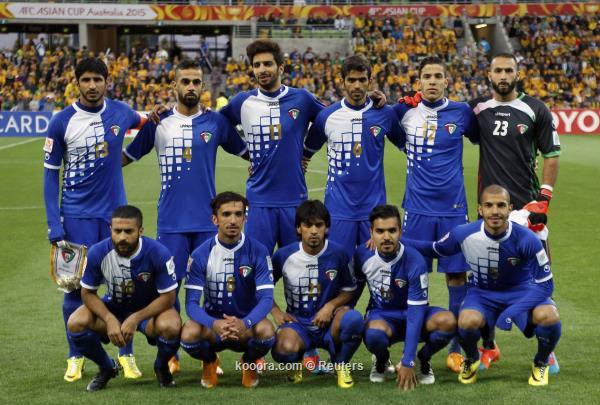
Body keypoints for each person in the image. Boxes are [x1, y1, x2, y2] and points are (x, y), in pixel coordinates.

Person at [123, 59, 248, 374]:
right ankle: (172, 351)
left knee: (213, 287)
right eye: (185, 81)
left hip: (208, 223)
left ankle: (208, 353)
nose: (191, 87)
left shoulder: (216, 122)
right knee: (169, 289)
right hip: (171, 223)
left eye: (195, 82)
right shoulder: (158, 122)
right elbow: (126, 156)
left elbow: (249, 152)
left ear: (203, 86)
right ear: (174, 85)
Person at [43, 57, 146, 382]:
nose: (91, 86)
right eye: (85, 80)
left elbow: (149, 123)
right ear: (76, 83)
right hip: (76, 218)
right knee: (74, 289)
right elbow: (50, 175)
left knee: (124, 287)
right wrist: (54, 222)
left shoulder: (122, 112)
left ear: (106, 81)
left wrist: (128, 156)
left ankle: (126, 354)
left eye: (97, 79)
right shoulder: (61, 121)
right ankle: (75, 355)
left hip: (116, 218)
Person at [406, 185, 561, 386]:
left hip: (522, 291)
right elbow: (435, 249)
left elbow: (546, 286)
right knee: (466, 321)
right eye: (488, 205)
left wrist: (511, 312)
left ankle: (540, 362)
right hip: (482, 293)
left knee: (549, 316)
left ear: (510, 208)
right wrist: (398, 240)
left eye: (500, 205)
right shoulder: (463, 234)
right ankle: (472, 358)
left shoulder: (527, 238)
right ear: (480, 209)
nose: (495, 211)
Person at [470, 53, 561, 372]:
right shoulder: (477, 108)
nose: (503, 75)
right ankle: (488, 346)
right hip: (490, 211)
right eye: (498, 70)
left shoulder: (536, 109)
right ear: (489, 74)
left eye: (509, 70)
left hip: (526, 210)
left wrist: (544, 199)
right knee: (484, 281)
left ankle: (547, 349)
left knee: (541, 279)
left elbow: (551, 154)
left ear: (517, 74)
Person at [393, 56, 479, 373]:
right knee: (411, 277)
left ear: (446, 81)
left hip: (453, 210)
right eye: (426, 76)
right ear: (418, 82)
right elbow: (381, 129)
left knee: (456, 276)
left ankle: (455, 350)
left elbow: (483, 140)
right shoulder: (403, 113)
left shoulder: (462, 112)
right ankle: (406, 344)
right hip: (416, 209)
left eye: (437, 76)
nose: (432, 80)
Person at [219, 39, 325, 255]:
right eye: (256, 65)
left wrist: (307, 152)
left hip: (294, 200)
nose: (262, 70)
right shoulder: (243, 102)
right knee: (256, 266)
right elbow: (217, 125)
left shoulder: (302, 98)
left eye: (267, 64)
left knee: (296, 267)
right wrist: (245, 153)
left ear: (281, 68)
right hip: (259, 202)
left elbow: (329, 120)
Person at [66, 205, 181, 391]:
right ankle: (107, 368)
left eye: (128, 231)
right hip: (114, 308)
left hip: (148, 313)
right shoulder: (98, 252)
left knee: (172, 326)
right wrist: (109, 318)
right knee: (75, 323)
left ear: (140, 231)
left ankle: (161, 367)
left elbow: (168, 297)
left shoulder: (158, 253)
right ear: (110, 229)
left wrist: (136, 318)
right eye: (117, 231)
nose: (122, 237)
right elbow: (87, 293)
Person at [303, 55, 405, 258]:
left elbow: (409, 147)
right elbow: (305, 154)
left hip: (374, 211)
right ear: (342, 82)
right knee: (339, 269)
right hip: (338, 210)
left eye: (362, 79)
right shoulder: (327, 116)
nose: (357, 85)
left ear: (370, 81)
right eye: (351, 80)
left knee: (375, 270)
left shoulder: (385, 114)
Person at [180, 192, 275, 389]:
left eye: (238, 214)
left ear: (245, 218)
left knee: (266, 332)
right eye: (226, 214)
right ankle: (210, 361)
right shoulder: (200, 254)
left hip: (246, 326)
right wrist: (213, 323)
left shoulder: (258, 251)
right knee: (188, 334)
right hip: (213, 327)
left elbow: (266, 298)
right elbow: (191, 304)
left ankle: (249, 362)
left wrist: (245, 322)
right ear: (215, 219)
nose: (233, 220)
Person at [355, 205, 456, 389]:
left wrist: (408, 360)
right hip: (382, 316)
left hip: (413, 314)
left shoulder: (415, 260)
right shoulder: (362, 255)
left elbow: (416, 312)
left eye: (392, 230)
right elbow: (353, 289)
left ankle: (423, 358)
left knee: (448, 321)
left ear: (400, 232)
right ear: (371, 232)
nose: (386, 237)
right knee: (373, 333)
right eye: (380, 231)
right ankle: (382, 361)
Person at [270, 200, 363, 388]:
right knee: (283, 349)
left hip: (330, 322)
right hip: (298, 323)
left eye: (319, 225)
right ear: (298, 228)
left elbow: (349, 290)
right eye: (307, 225)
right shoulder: (283, 255)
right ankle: (295, 361)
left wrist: (330, 306)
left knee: (354, 320)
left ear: (326, 228)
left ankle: (341, 364)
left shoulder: (339, 253)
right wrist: (276, 311)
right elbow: (262, 288)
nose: (313, 231)